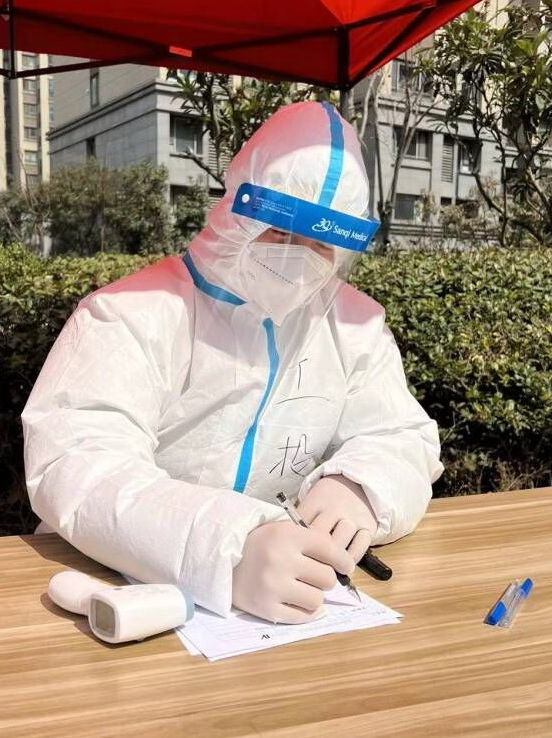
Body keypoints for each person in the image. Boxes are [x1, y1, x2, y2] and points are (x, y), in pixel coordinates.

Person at [22, 102, 443, 624]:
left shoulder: (354, 325)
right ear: (238, 210)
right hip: (110, 586)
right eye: (281, 229)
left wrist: (360, 485)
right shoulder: (129, 314)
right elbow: (79, 463)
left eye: (323, 241)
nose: (299, 254)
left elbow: (400, 434)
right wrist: (227, 547)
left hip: (288, 602)